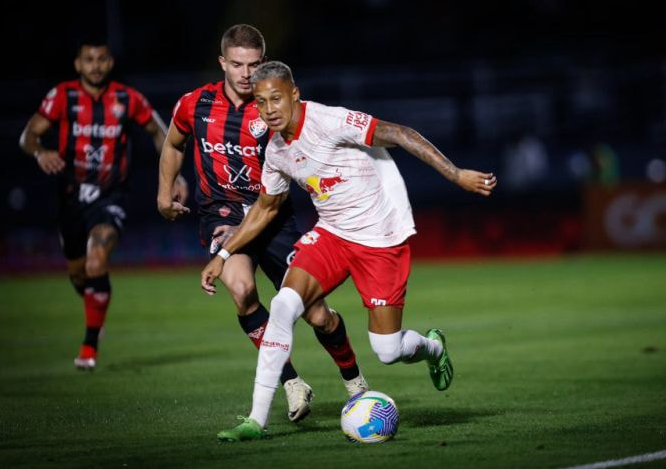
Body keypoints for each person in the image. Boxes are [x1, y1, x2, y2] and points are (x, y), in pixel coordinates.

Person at [200, 61, 497, 441]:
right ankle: (256, 421)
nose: (269, 109)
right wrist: (224, 255)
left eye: (276, 98)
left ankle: (433, 348)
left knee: (388, 350)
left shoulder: (329, 121)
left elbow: (400, 133)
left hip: (380, 239)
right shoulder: (276, 151)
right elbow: (266, 208)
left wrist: (455, 174)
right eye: (261, 102)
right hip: (332, 236)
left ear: (294, 94)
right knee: (283, 305)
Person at [157, 25, 368, 424]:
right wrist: (164, 193)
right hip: (221, 214)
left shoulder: (273, 109)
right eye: (237, 64)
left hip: (272, 215)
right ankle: (291, 382)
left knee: (317, 315)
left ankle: (355, 381)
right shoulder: (194, 104)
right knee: (241, 289)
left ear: (264, 62)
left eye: (253, 65)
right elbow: (173, 143)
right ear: (222, 62)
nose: (245, 73)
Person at [19, 37, 189, 371]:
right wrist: (40, 153)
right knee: (79, 273)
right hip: (70, 196)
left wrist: (176, 177)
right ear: (78, 64)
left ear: (110, 63)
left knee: (97, 260)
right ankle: (93, 304)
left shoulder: (128, 99)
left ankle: (89, 347)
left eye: (102, 59)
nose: (95, 66)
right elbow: (28, 136)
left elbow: (161, 134)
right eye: (89, 60)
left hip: (112, 195)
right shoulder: (62, 96)